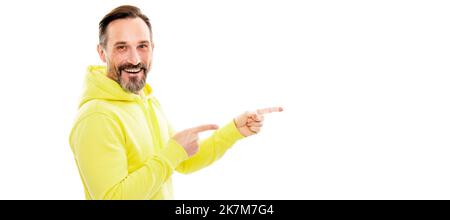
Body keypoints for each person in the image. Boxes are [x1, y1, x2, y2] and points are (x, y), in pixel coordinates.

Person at [69, 5, 283, 200]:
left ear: (152, 48)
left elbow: (183, 160)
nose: (134, 59)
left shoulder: (145, 101)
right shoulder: (97, 117)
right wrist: (172, 153)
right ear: (101, 52)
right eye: (122, 47)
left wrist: (235, 130)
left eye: (142, 46)